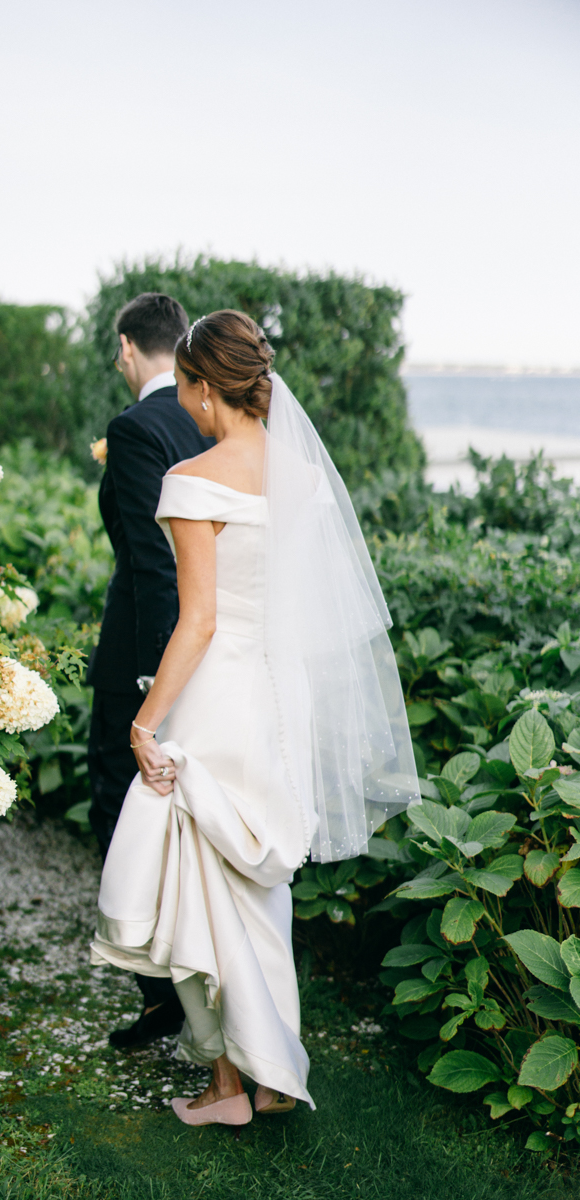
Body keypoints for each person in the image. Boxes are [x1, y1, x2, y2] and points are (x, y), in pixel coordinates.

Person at [91, 310, 420, 1125]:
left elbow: (197, 622)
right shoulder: (302, 476)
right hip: (282, 698)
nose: (189, 408)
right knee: (260, 888)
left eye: (192, 393)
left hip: (219, 693)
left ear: (203, 387)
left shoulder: (192, 479)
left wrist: (144, 723)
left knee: (205, 884)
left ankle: (233, 1082)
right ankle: (260, 1078)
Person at [87, 292, 213, 1049]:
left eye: (117, 350)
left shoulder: (135, 429)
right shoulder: (214, 420)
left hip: (148, 658)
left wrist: (152, 685)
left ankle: (161, 990)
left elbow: (149, 565)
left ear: (131, 347)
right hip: (215, 650)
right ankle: (192, 982)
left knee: (119, 807)